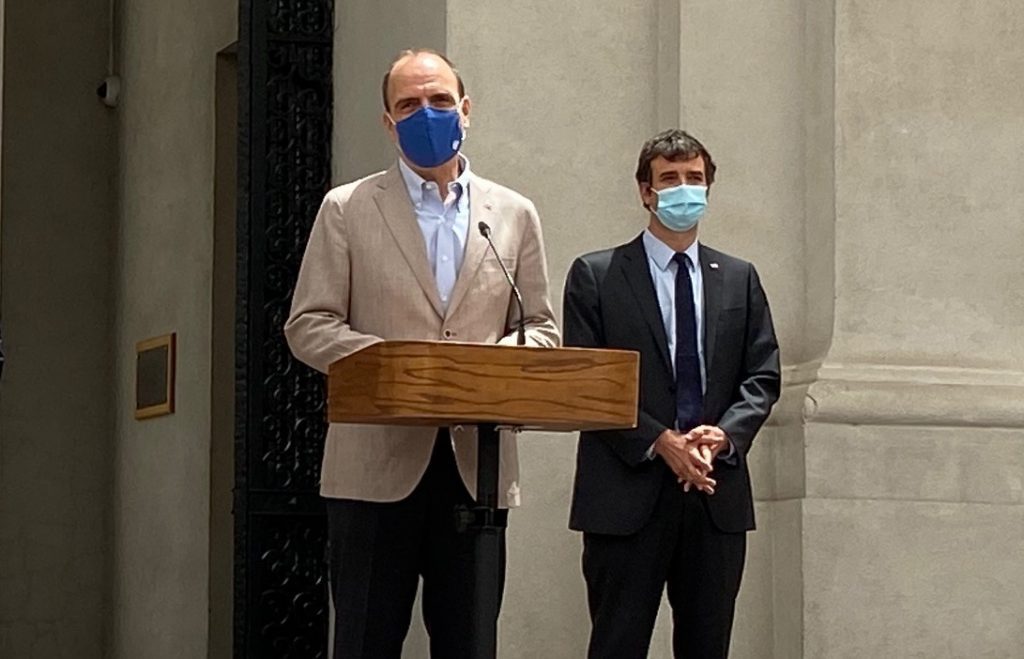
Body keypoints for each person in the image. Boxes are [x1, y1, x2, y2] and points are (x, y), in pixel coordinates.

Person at [284, 49, 559, 658]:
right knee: (365, 640)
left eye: (439, 101)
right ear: (388, 122)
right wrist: (397, 366)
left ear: (466, 109)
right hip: (373, 465)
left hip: (476, 466)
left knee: (469, 642)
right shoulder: (347, 208)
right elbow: (308, 325)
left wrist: (485, 366)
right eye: (409, 105)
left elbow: (539, 327)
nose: (426, 114)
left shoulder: (513, 214)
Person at [563, 129, 781, 658]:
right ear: (646, 191)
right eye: (670, 178)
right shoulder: (597, 275)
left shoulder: (739, 277)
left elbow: (762, 374)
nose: (684, 188)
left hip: (713, 492)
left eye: (694, 178)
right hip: (626, 495)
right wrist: (660, 441)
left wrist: (723, 436)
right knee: (617, 644)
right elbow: (587, 382)